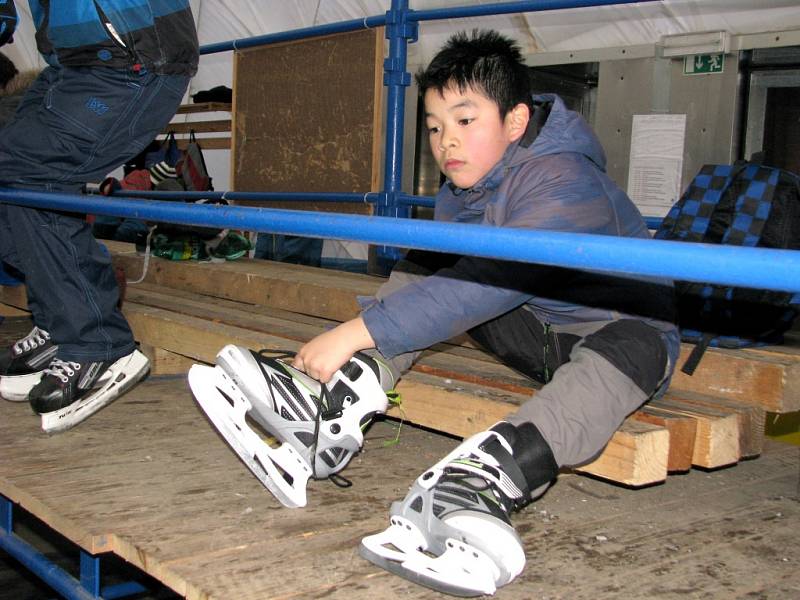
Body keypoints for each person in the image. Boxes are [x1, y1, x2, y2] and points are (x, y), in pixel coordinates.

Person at [190, 29, 678, 596]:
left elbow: (488, 286)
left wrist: (354, 330)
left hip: (616, 336)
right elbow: (460, 285)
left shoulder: (563, 180)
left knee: (623, 341)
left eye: (466, 121)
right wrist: (365, 341)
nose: (447, 142)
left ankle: (489, 477)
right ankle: (333, 408)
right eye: (435, 127)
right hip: (539, 327)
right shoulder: (466, 189)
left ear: (515, 121)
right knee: (432, 256)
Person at [0, 0, 199, 433]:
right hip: (75, 63)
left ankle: (100, 342)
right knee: (13, 172)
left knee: (30, 173)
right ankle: (61, 319)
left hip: (132, 58)